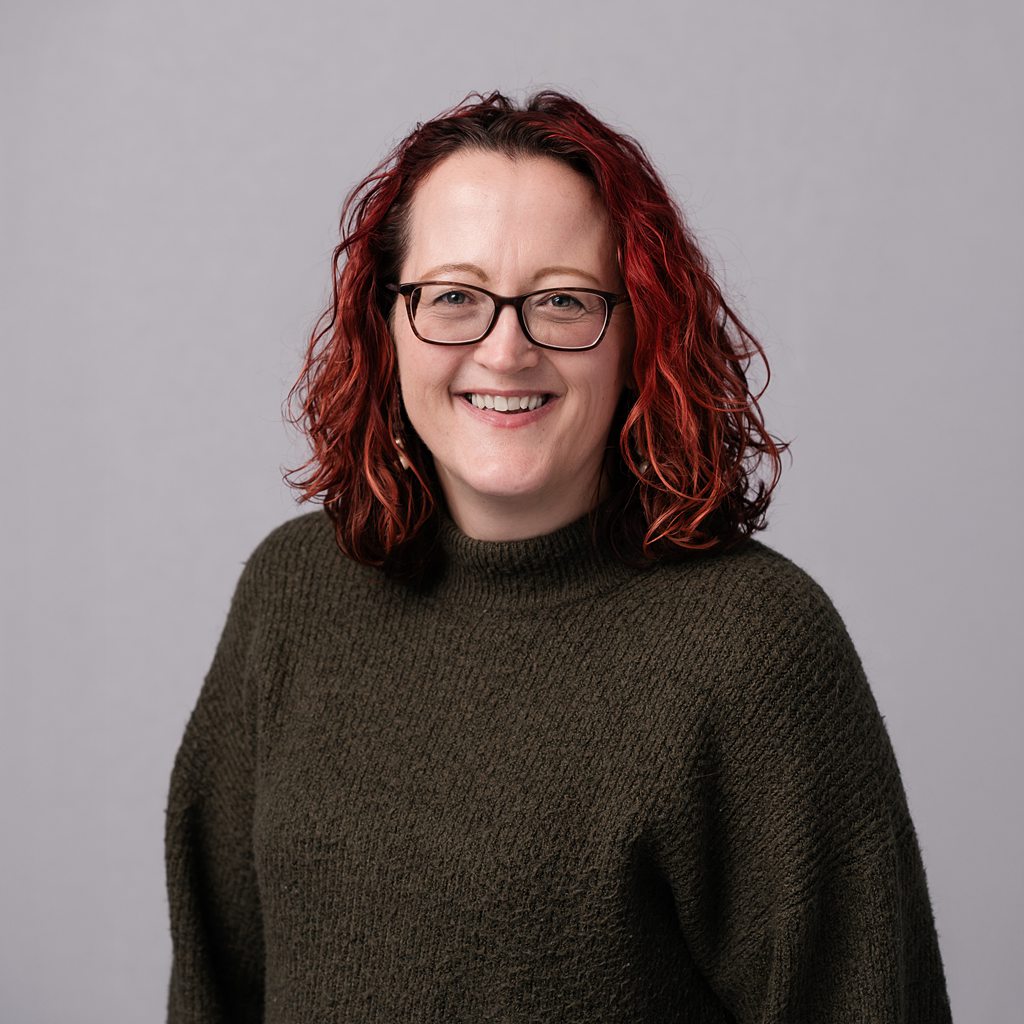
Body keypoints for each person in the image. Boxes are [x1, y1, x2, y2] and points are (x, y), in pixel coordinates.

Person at [164, 91, 953, 1022]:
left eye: (563, 302)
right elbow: (213, 988)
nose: (505, 351)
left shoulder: (753, 646)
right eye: (453, 297)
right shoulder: (292, 594)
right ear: (386, 323)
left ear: (637, 331)